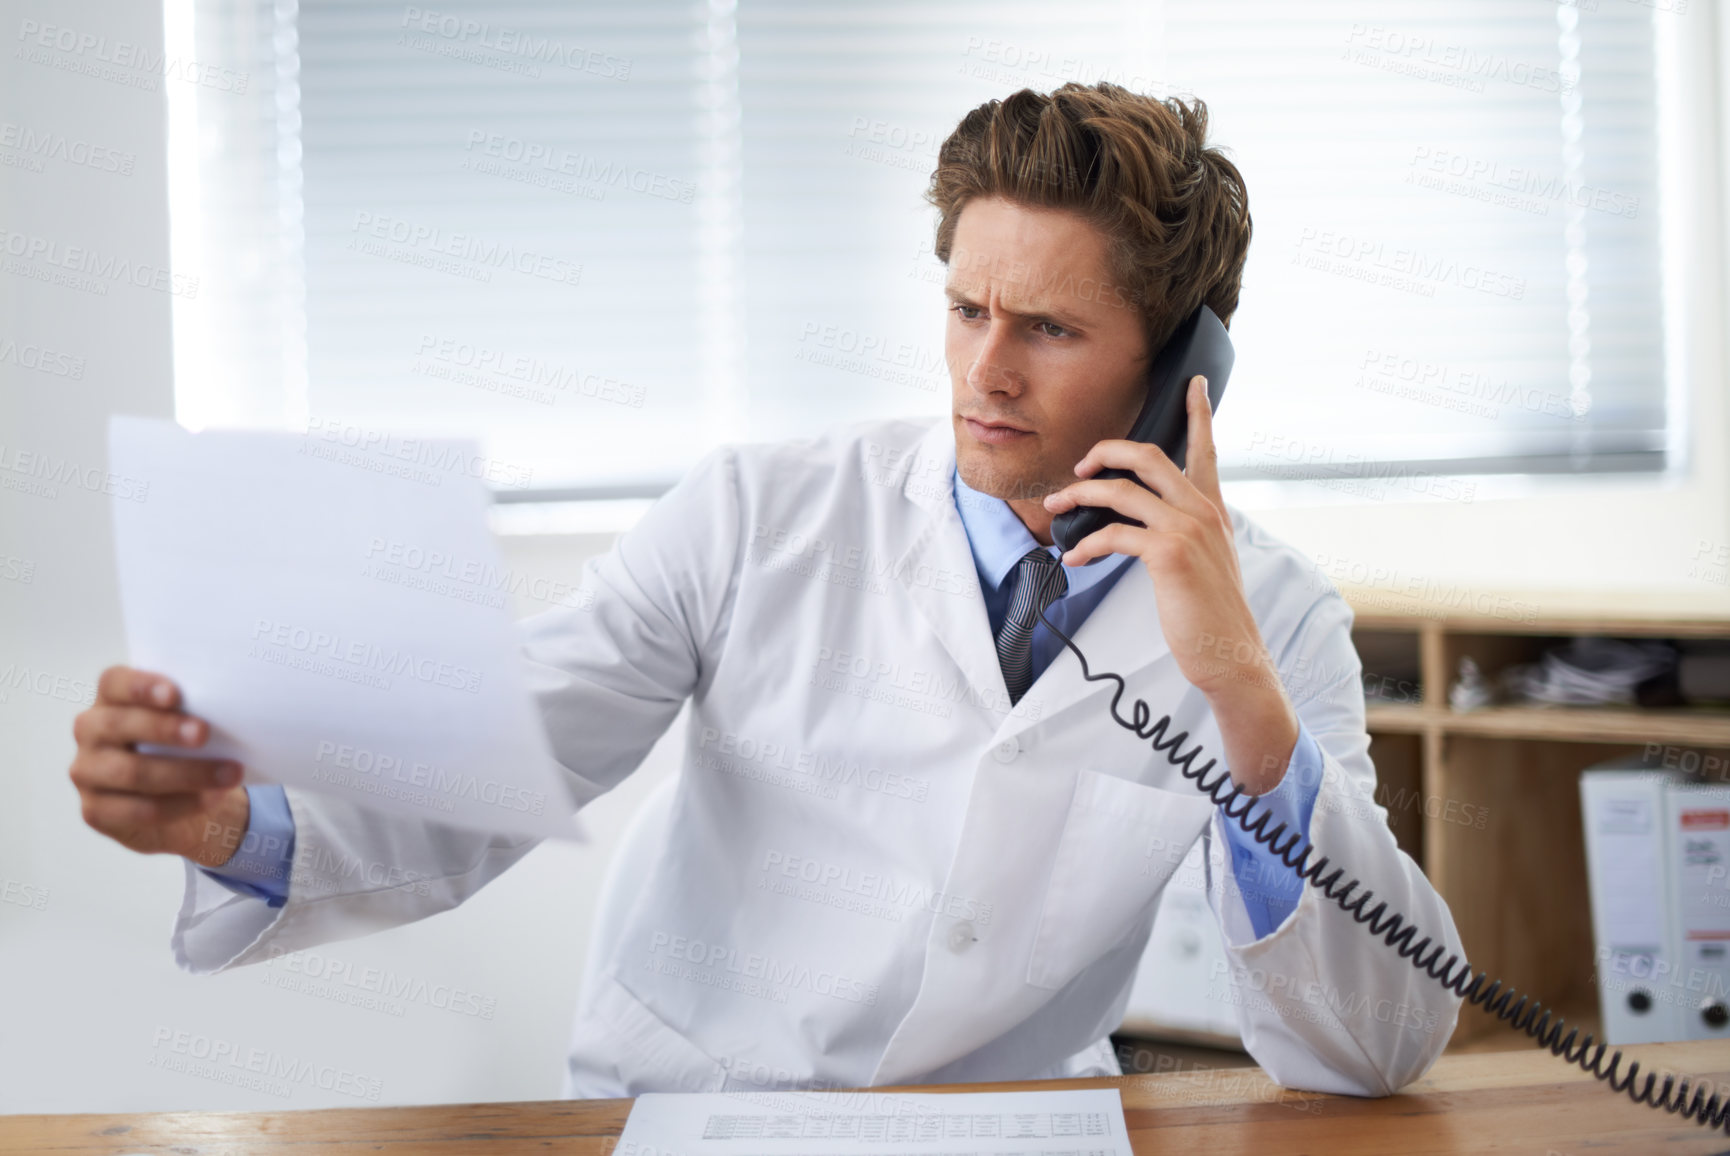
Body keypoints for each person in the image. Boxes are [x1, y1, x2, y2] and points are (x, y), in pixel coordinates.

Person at [69, 82, 1463, 1098]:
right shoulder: (757, 513)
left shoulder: (1268, 624)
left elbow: (1372, 1048)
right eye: (966, 309)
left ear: (1181, 374)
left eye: (1047, 327)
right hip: (696, 1104)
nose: (984, 371)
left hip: (1011, 1130)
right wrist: (243, 825)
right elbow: (510, 748)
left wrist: (1239, 704)